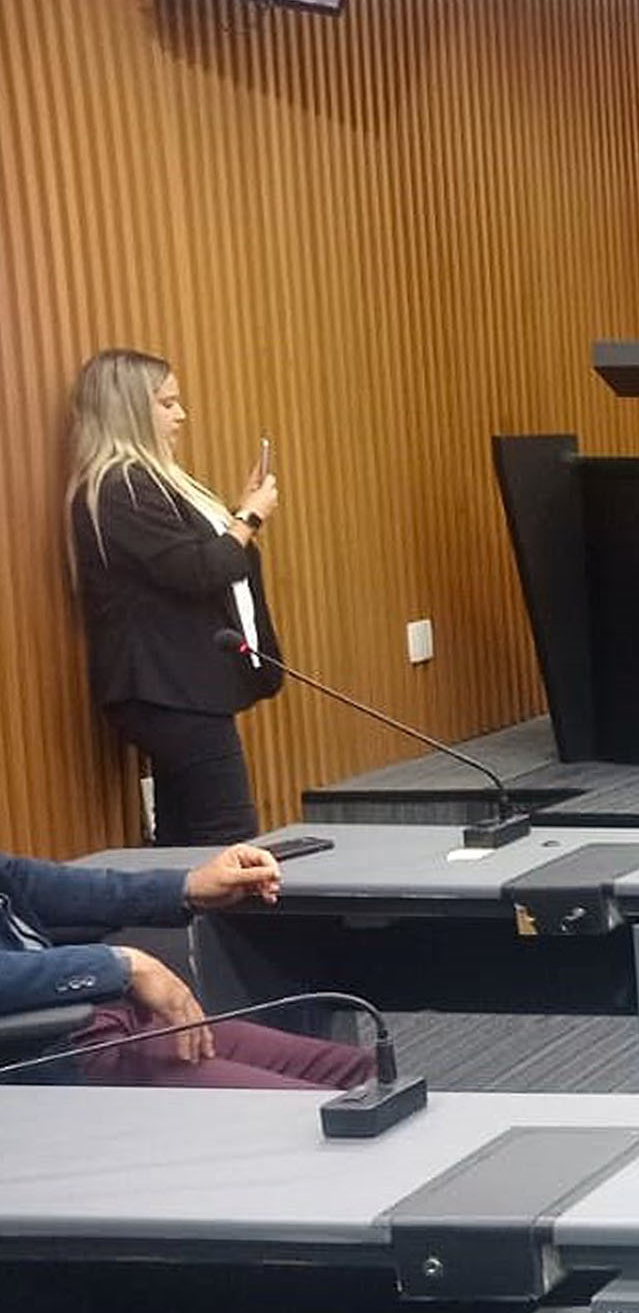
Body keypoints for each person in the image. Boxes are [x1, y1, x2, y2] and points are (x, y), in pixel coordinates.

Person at [65, 348, 284, 846]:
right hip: (168, 688)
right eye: (167, 404)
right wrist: (248, 517)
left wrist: (237, 516)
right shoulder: (121, 486)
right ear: (128, 410)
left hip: (179, 686)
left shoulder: (145, 483)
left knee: (186, 841)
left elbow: (195, 558)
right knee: (230, 841)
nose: (181, 415)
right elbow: (198, 570)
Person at [2, 842, 372, 1092]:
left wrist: (187, 885)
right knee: (321, 1120)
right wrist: (121, 965)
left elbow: (27, 881)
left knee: (366, 1075)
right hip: (45, 1048)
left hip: (107, 1015)